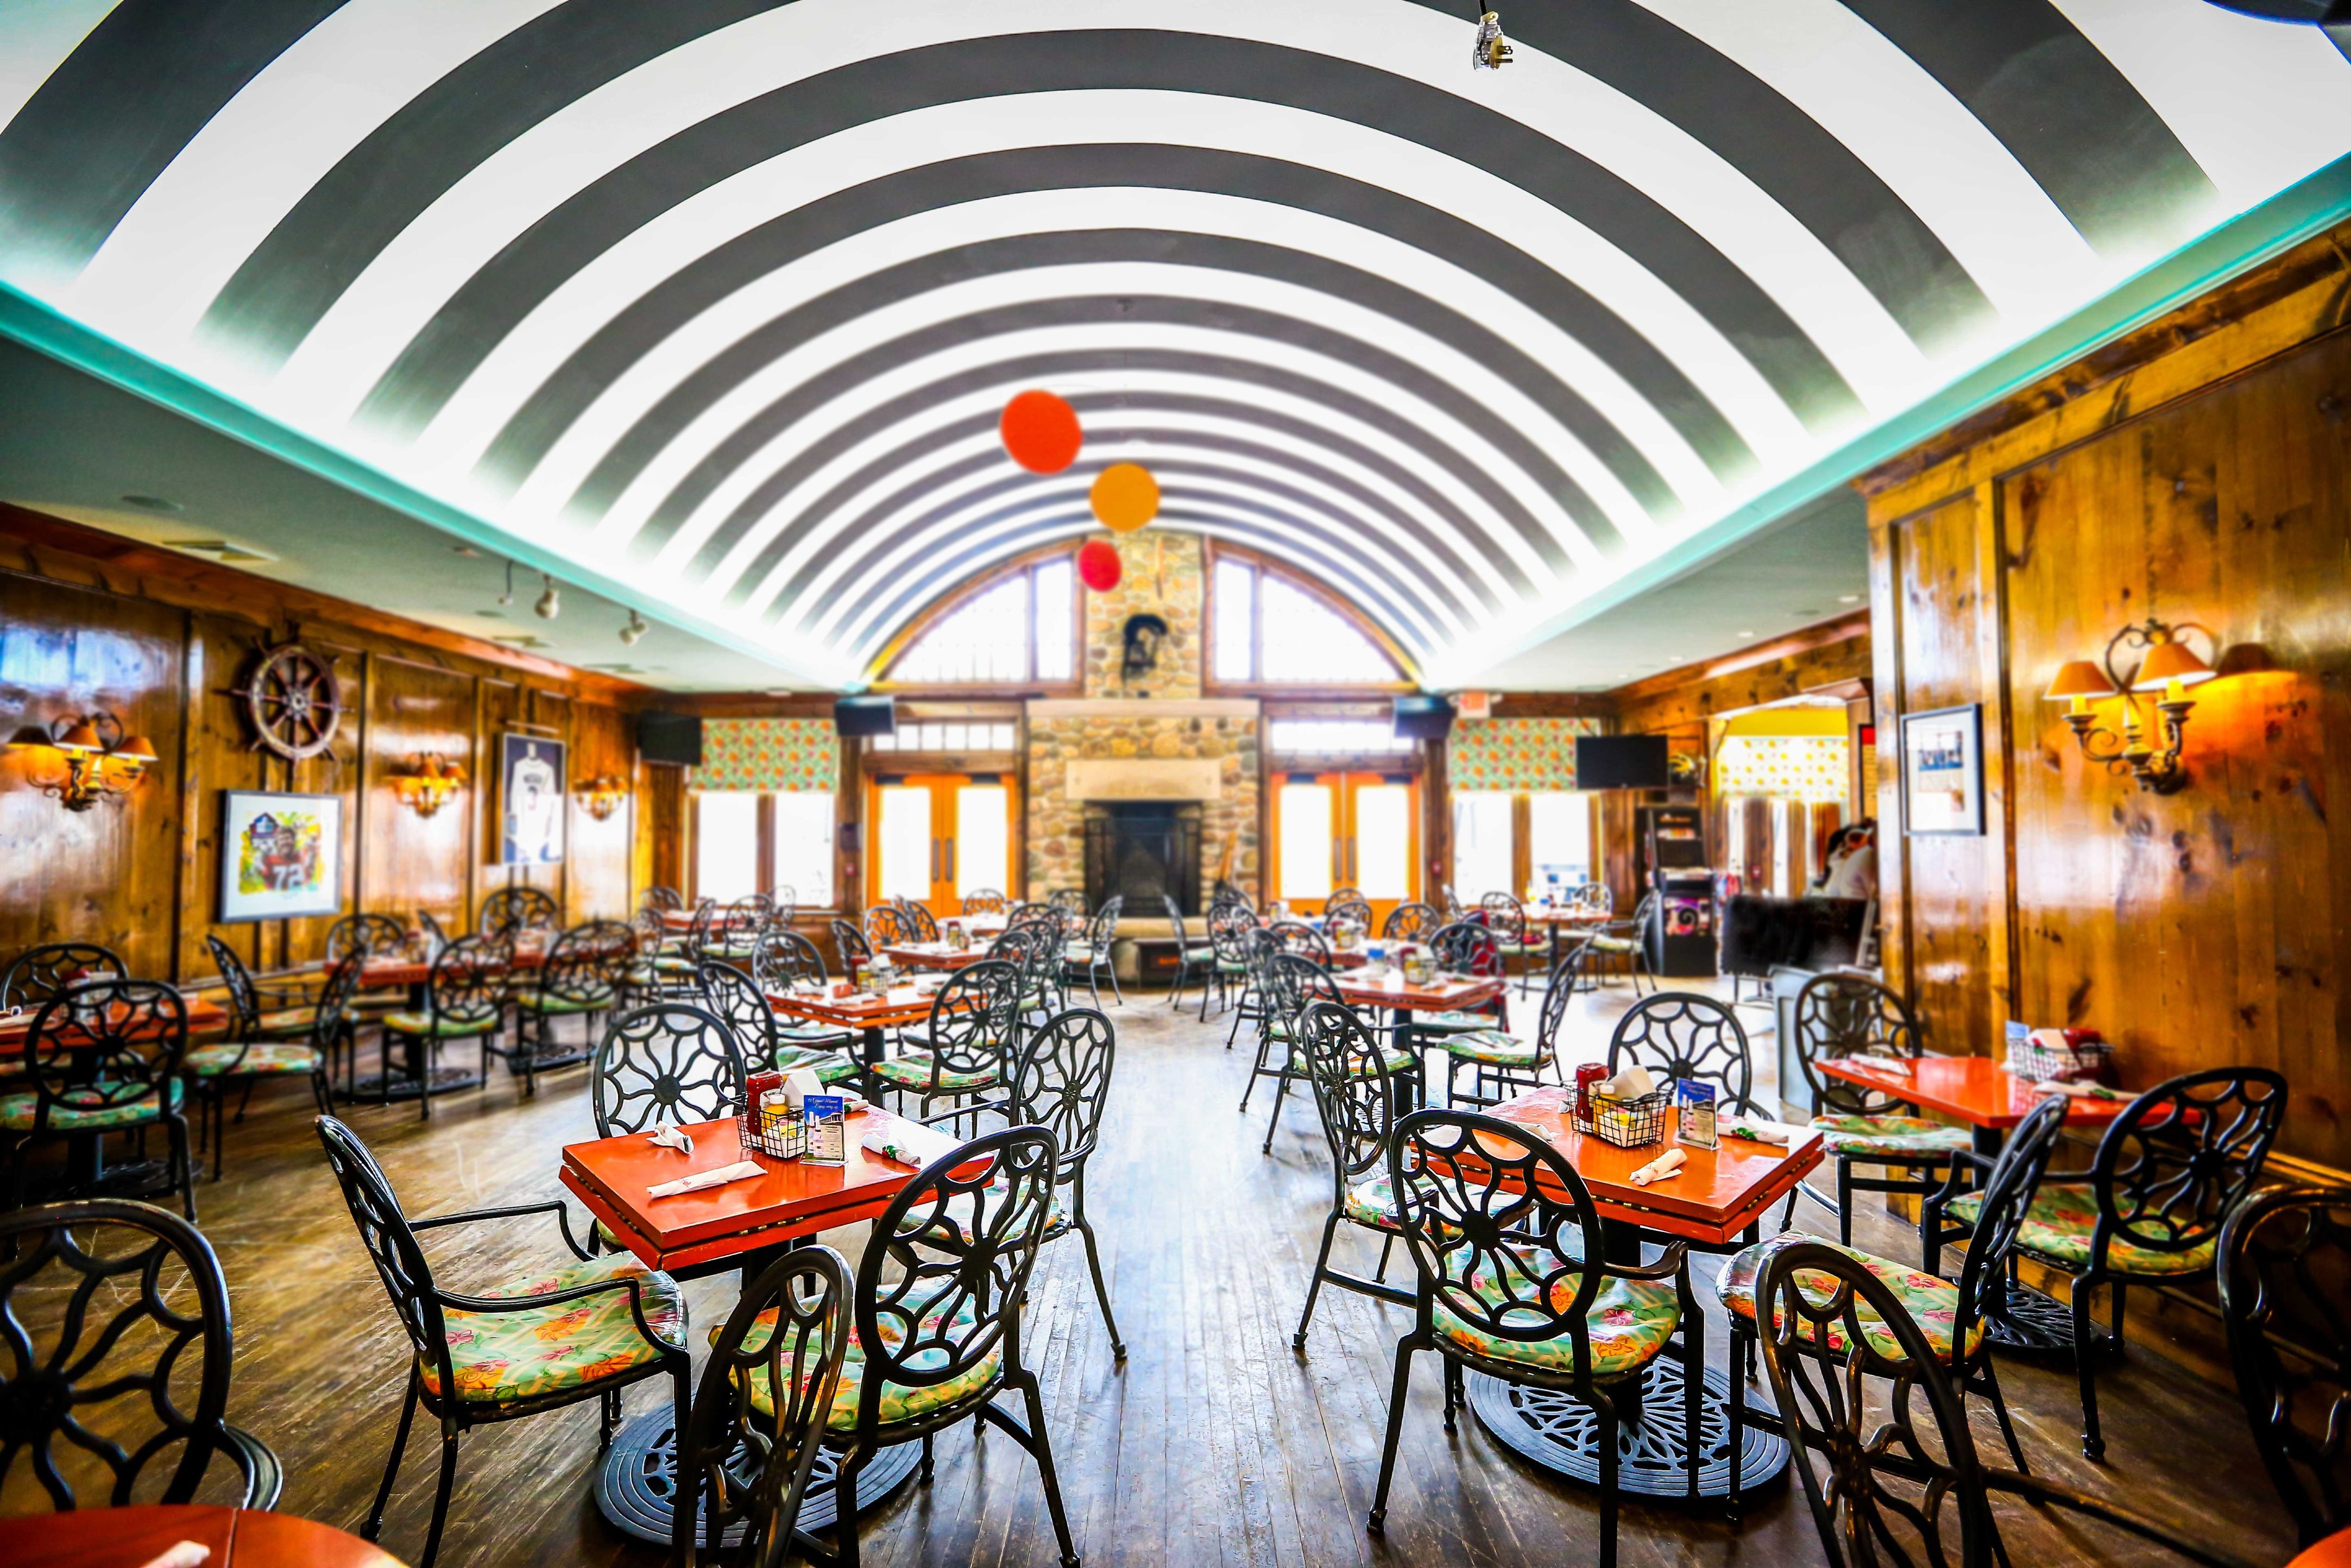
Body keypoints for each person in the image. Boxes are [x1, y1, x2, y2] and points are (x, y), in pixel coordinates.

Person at [1814, 818, 1877, 901]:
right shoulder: (1865, 855)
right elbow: (1873, 892)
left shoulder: (1851, 855)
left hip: (1836, 896)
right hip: (1848, 902)